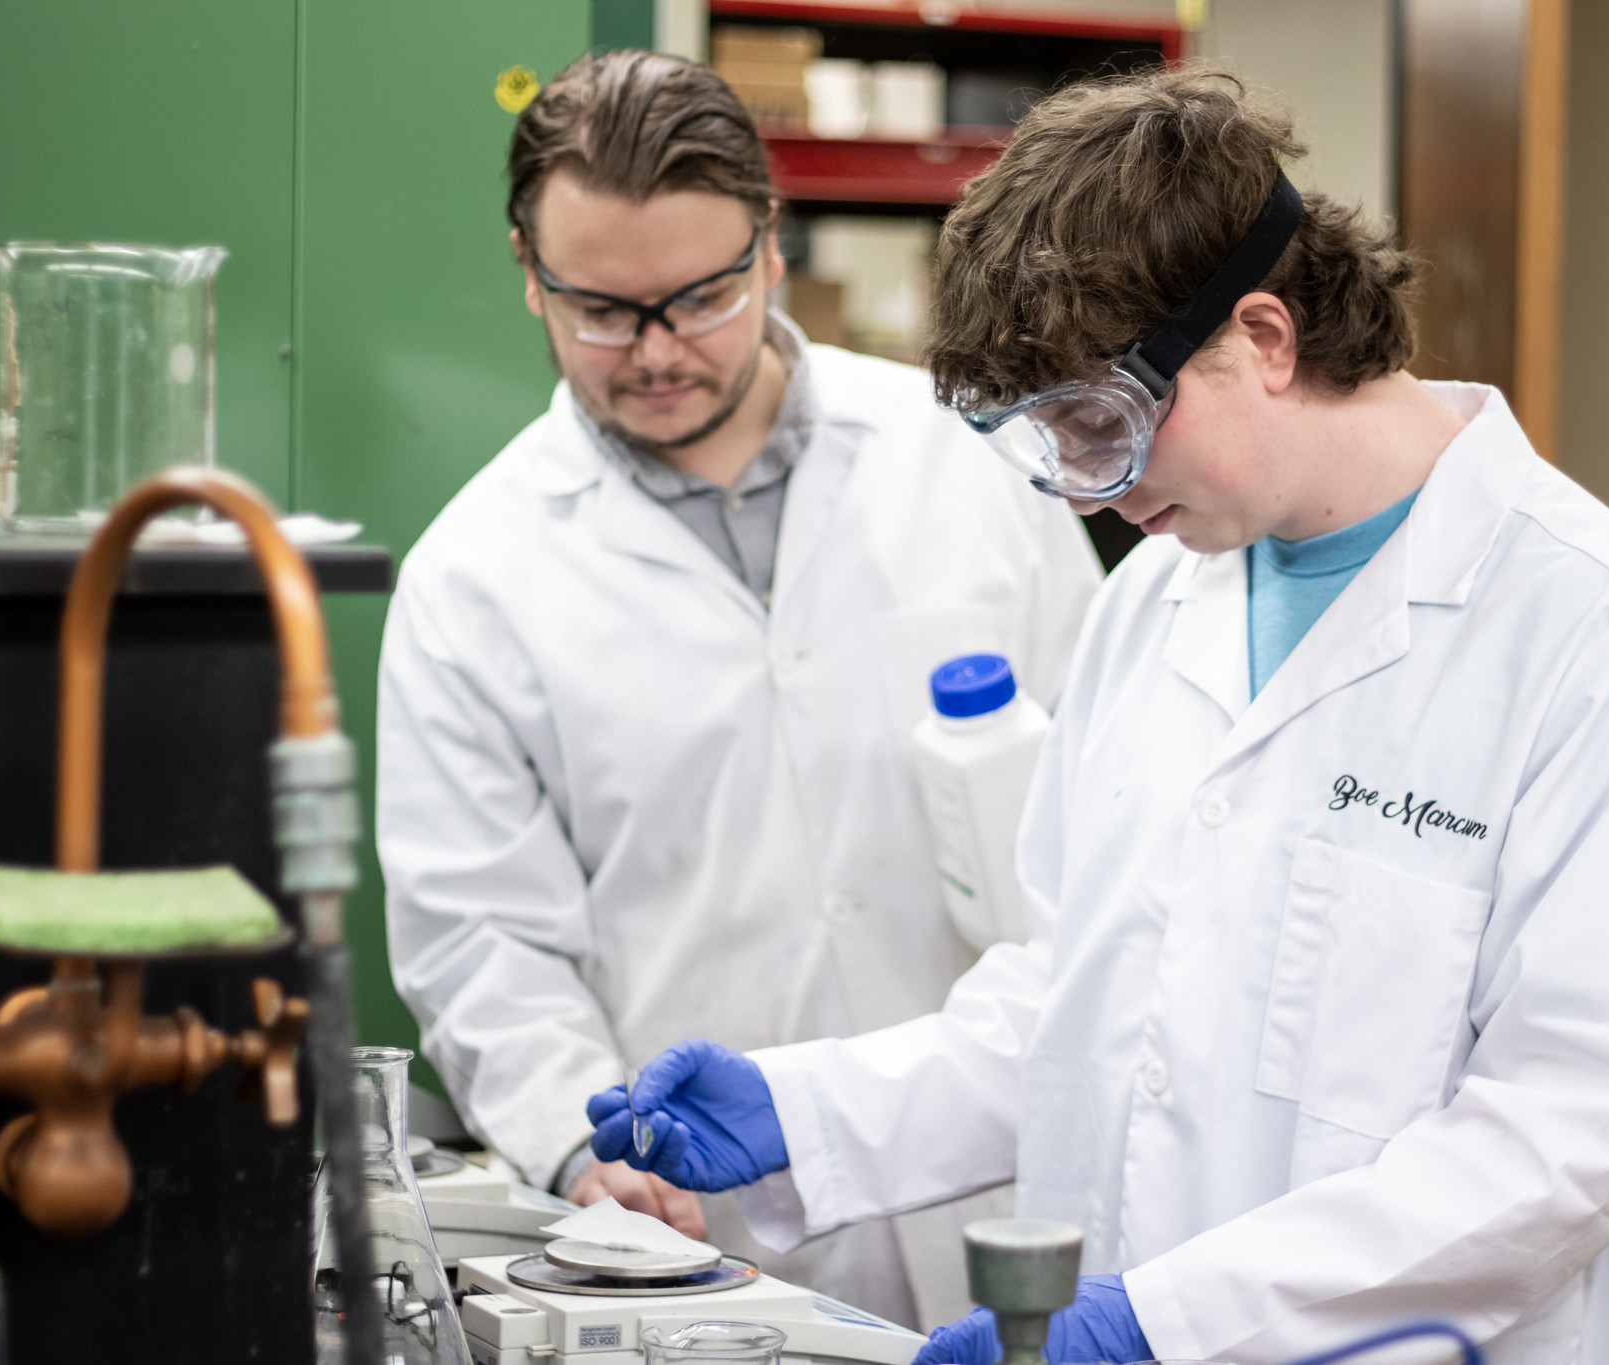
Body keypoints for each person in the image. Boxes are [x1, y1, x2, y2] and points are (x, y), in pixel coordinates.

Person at [586, 68, 1609, 1365]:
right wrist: (807, 1114)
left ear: (1261, 337)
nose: (1089, 491)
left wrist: (1167, 1325)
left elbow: (1570, 1137)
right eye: (1048, 442)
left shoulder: (1603, 639)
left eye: (1102, 423)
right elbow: (1076, 1000)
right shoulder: (1158, 597)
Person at [376, 50, 1101, 1326]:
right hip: (697, 1240)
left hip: (1017, 1196)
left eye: (699, 297)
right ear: (527, 275)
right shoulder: (474, 577)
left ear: (770, 247)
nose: (654, 351)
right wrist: (575, 1146)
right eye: (600, 308)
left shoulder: (969, 464)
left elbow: (1107, 812)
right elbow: (482, 939)